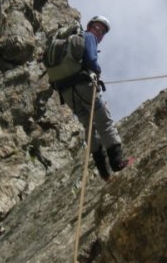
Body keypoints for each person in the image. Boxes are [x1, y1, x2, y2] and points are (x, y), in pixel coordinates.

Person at [53, 15, 130, 181]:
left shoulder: (68, 42)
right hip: (83, 86)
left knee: (89, 127)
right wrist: (97, 71)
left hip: (66, 91)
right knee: (104, 120)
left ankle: (103, 171)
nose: (98, 32)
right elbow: (91, 60)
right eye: (97, 28)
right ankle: (117, 163)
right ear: (89, 27)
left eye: (101, 31)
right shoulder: (88, 37)